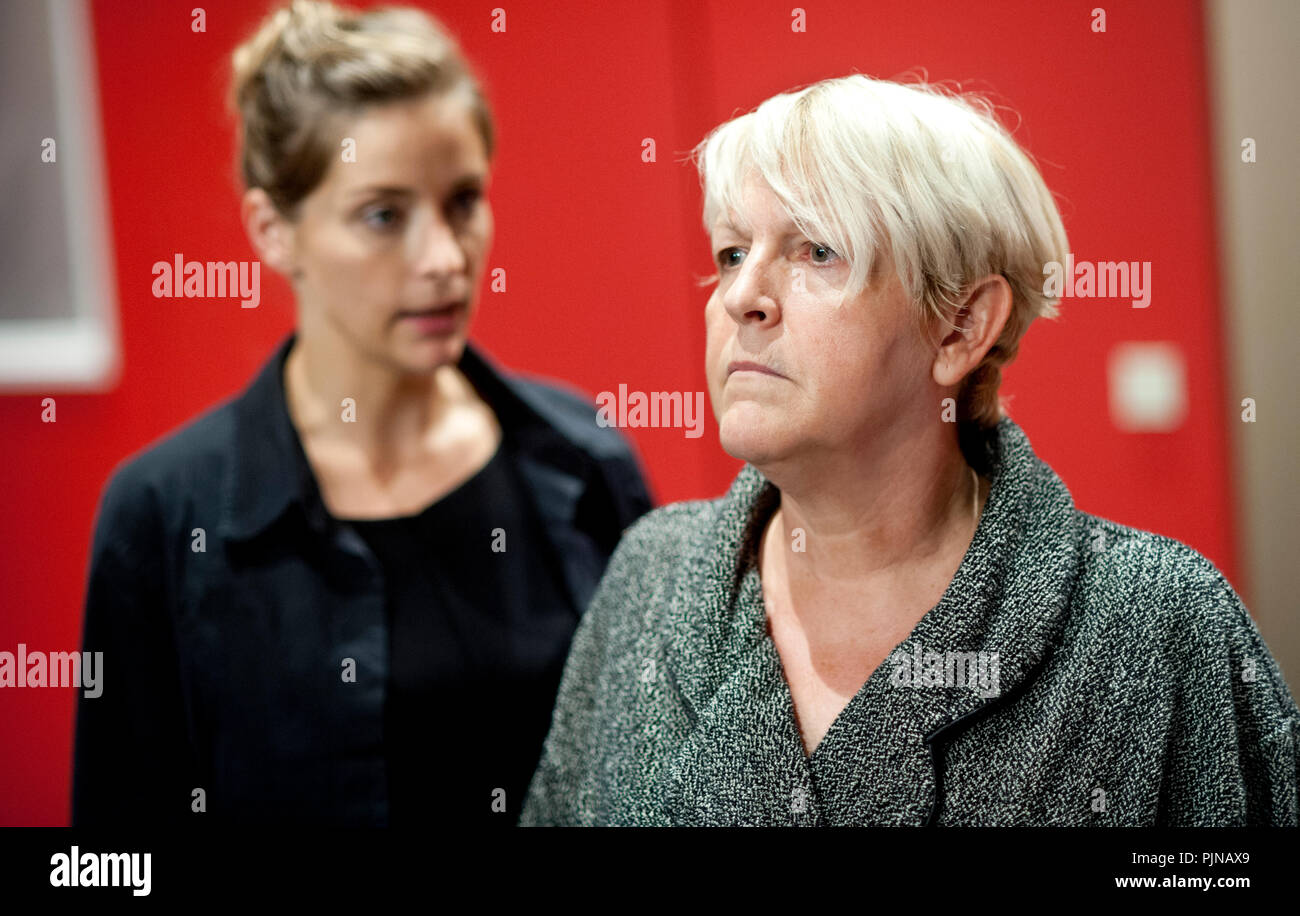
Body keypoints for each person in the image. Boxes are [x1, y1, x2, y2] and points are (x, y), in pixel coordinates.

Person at [521, 74, 1300, 826]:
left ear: (959, 326)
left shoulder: (1159, 622)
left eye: (816, 251)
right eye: (731, 252)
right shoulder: (649, 575)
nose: (738, 297)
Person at [72, 0, 652, 827]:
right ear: (274, 230)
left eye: (462, 201)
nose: (445, 259)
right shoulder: (165, 515)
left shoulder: (584, 464)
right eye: (383, 215)